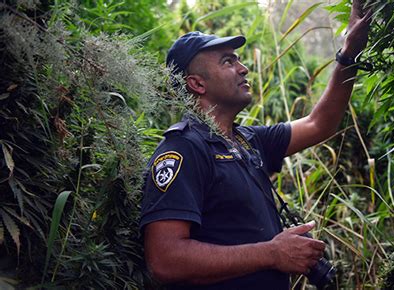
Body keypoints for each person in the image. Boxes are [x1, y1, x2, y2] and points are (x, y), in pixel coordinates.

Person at [140, 1, 370, 289]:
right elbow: (165, 259)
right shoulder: (184, 150)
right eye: (228, 61)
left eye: (238, 59)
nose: (244, 68)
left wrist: (350, 52)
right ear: (197, 84)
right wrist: (272, 253)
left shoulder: (249, 140)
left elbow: (319, 123)